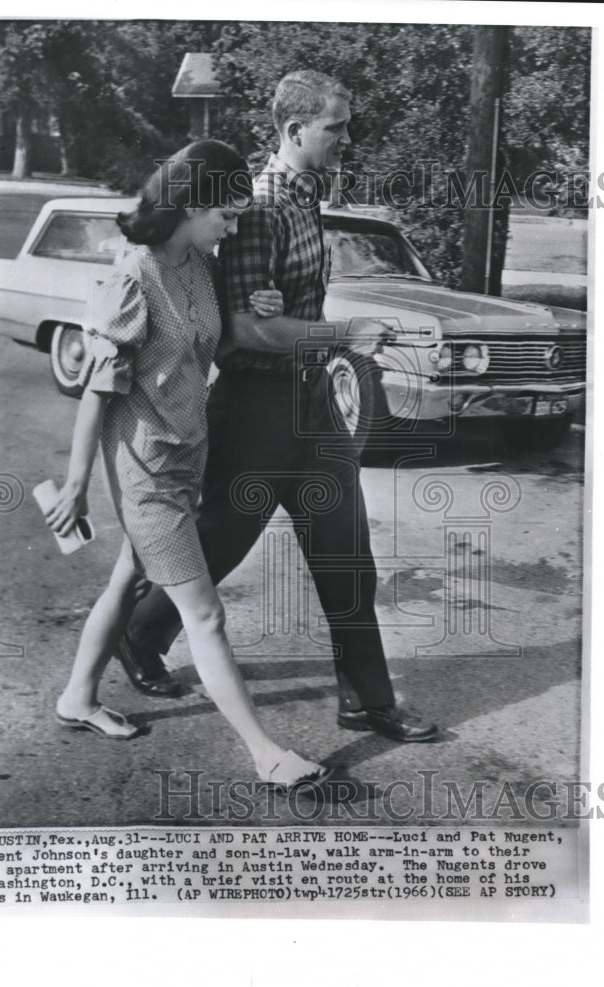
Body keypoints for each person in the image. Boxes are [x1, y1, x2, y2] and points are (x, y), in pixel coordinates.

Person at [118, 71, 438, 744]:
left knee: (347, 555)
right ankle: (137, 636)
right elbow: (247, 330)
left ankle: (366, 700)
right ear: (294, 132)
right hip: (257, 407)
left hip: (310, 404)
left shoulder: (303, 197)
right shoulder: (260, 205)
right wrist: (344, 333)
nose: (346, 139)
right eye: (335, 128)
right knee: (215, 544)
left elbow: (278, 309)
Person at [44, 139, 328, 791]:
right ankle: (265, 753)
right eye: (226, 215)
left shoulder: (197, 263)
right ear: (192, 203)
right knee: (204, 615)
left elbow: (211, 344)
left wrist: (259, 312)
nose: (233, 227)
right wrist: (77, 483)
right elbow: (98, 391)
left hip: (185, 456)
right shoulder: (132, 278)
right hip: (144, 472)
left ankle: (77, 698)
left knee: (126, 579)